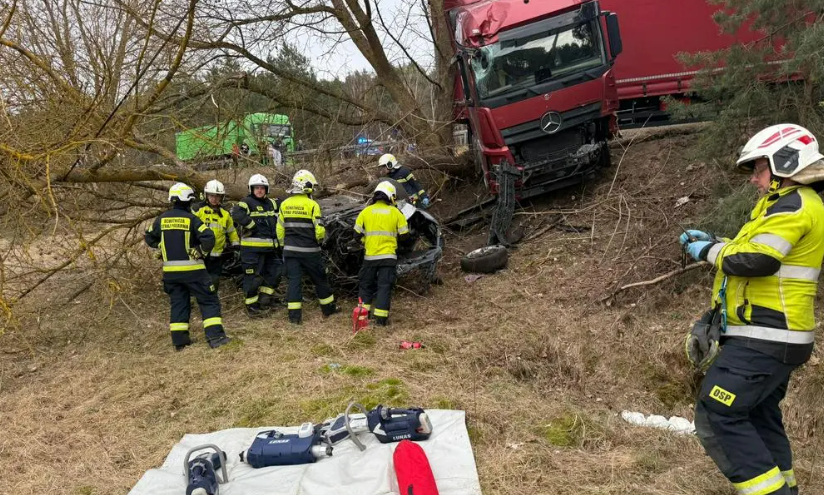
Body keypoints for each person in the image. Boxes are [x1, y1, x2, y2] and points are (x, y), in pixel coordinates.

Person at [680, 124, 824, 495]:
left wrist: (707, 251)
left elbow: (757, 261)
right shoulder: (784, 205)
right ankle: (785, 487)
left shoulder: (793, 205)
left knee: (718, 412)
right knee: (758, 413)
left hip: (767, 336)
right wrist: (718, 242)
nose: (754, 179)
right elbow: (756, 251)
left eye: (759, 169)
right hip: (773, 335)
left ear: (785, 163)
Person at [145, 183, 230, 350]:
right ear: (189, 200)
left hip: (170, 273)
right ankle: (216, 338)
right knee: (208, 301)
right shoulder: (192, 219)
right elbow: (209, 237)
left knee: (179, 304)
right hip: (194, 272)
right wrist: (200, 251)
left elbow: (149, 237)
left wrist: (162, 247)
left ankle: (180, 342)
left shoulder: (161, 219)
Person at [277, 169, 336, 324]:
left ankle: (294, 318)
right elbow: (319, 230)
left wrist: (284, 246)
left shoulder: (284, 204)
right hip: (310, 251)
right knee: (320, 279)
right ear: (306, 186)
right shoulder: (312, 205)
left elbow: (279, 230)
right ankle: (328, 309)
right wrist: (320, 241)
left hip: (290, 251)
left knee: (294, 282)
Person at [352, 181, 409, 326]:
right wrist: (394, 239)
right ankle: (381, 320)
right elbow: (405, 235)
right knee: (384, 287)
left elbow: (356, 234)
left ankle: (363, 316)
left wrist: (366, 241)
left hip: (370, 257)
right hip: (388, 257)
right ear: (391, 196)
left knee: (366, 286)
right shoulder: (396, 212)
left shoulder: (365, 212)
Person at [231, 174, 282, 318]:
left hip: (271, 248)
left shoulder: (271, 203)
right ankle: (251, 306)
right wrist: (251, 225)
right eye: (256, 188)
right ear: (251, 189)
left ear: (266, 189)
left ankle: (265, 299)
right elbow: (236, 213)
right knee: (253, 277)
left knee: (276, 272)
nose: (259, 190)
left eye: (262, 188)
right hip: (252, 250)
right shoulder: (246, 202)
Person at [192, 180, 239, 291]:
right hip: (199, 252)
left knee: (214, 281)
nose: (214, 199)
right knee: (197, 279)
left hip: (217, 255)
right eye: (211, 196)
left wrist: (235, 243)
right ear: (206, 195)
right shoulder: (198, 210)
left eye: (217, 196)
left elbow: (231, 231)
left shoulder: (225, 214)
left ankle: (211, 297)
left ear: (221, 197)